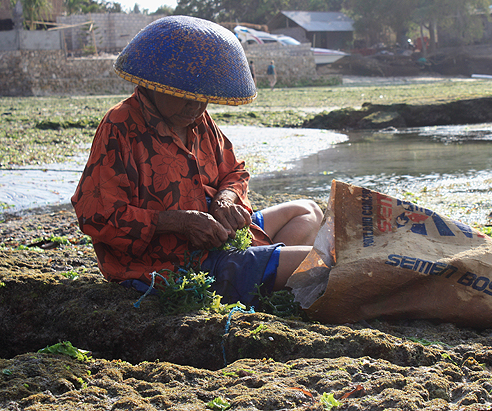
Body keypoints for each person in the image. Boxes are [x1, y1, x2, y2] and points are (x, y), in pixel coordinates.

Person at [71, 16, 322, 307]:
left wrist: (225, 201)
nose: (197, 106)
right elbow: (95, 214)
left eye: (203, 99)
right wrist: (178, 222)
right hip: (179, 263)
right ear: (156, 84)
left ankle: (264, 273)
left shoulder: (197, 118)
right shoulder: (120, 125)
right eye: (187, 97)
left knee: (308, 210)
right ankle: (258, 273)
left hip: (219, 235)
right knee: (320, 261)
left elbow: (234, 171)